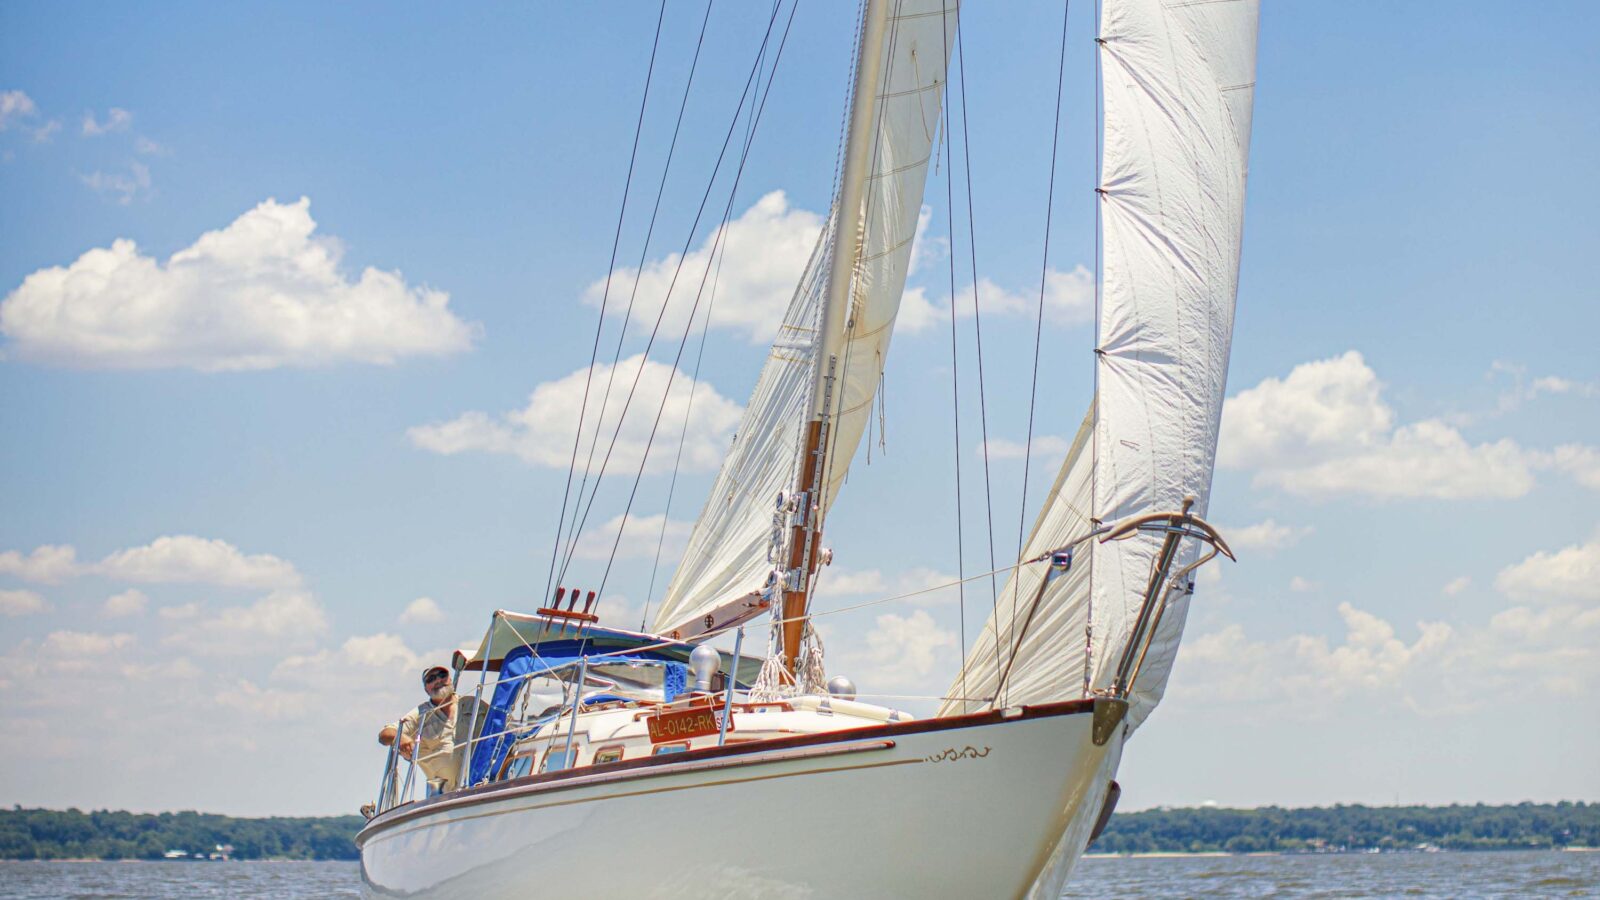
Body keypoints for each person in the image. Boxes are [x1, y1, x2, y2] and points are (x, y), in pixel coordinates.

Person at [393, 665, 488, 796]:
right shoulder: (420, 714)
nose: (438, 680)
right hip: (442, 795)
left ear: (450, 679)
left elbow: (501, 723)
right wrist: (403, 738)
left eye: (442, 675)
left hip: (481, 786)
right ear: (426, 689)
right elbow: (386, 733)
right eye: (431, 679)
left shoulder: (473, 704)